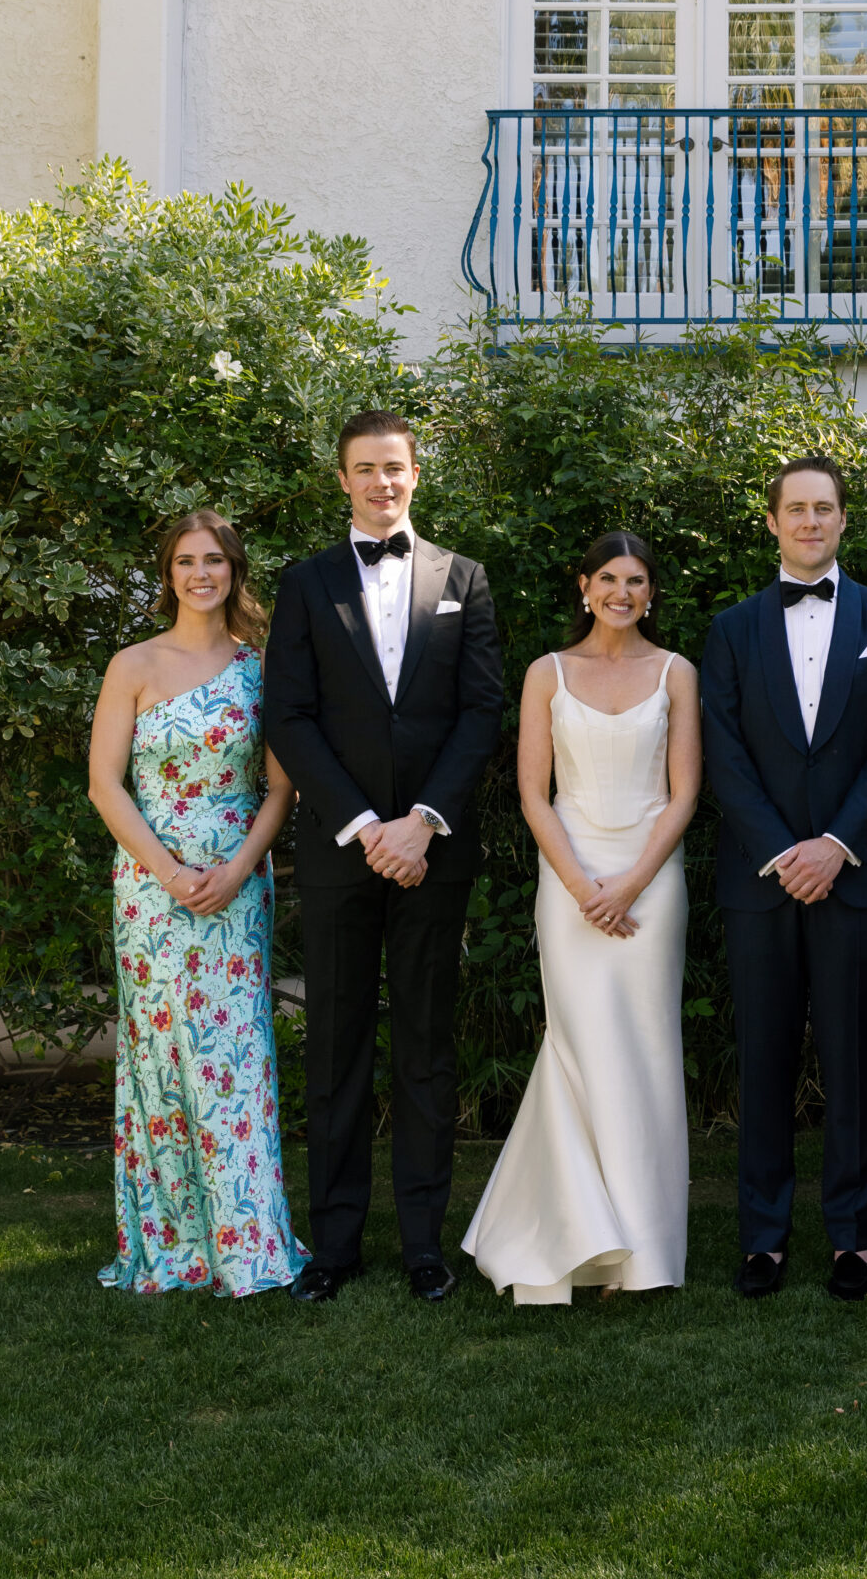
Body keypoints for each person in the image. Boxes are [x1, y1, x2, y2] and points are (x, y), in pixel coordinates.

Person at [263, 410, 503, 1304]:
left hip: (433, 852)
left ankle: (423, 1245)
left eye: (394, 467)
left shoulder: (463, 579)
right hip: (339, 854)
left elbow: (482, 712)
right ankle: (333, 1246)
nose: (381, 482)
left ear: (415, 473)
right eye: (364, 469)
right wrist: (366, 824)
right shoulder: (305, 583)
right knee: (336, 1047)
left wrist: (422, 821)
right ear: (342, 479)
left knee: (426, 1049)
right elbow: (288, 715)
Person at [700, 455, 867, 1301]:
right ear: (771, 523)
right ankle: (762, 1236)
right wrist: (785, 852)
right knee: (761, 1058)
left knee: (852, 1057)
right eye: (794, 510)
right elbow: (723, 753)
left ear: (841, 520)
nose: (809, 522)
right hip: (761, 881)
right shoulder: (730, 630)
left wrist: (834, 844)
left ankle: (851, 1239)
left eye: (823, 509)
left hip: (855, 875)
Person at [462, 531, 700, 1303]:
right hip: (568, 879)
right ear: (583, 586)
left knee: (645, 1051)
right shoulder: (546, 674)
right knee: (580, 1046)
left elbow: (684, 793)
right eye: (608, 578)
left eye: (636, 581)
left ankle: (643, 1252)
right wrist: (580, 884)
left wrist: (629, 884)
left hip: (650, 879)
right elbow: (534, 792)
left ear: (651, 593)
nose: (622, 593)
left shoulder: (676, 673)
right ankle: (580, 1238)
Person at [88, 508, 305, 1297]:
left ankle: (246, 1241)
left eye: (213, 559)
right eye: (185, 561)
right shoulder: (133, 663)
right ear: (168, 573)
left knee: (233, 1054)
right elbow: (104, 784)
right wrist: (171, 872)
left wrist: (242, 867)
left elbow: (280, 787)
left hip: (239, 883)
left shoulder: (261, 666)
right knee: (158, 1056)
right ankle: (172, 1243)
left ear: (233, 569)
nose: (200, 573)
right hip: (150, 886)